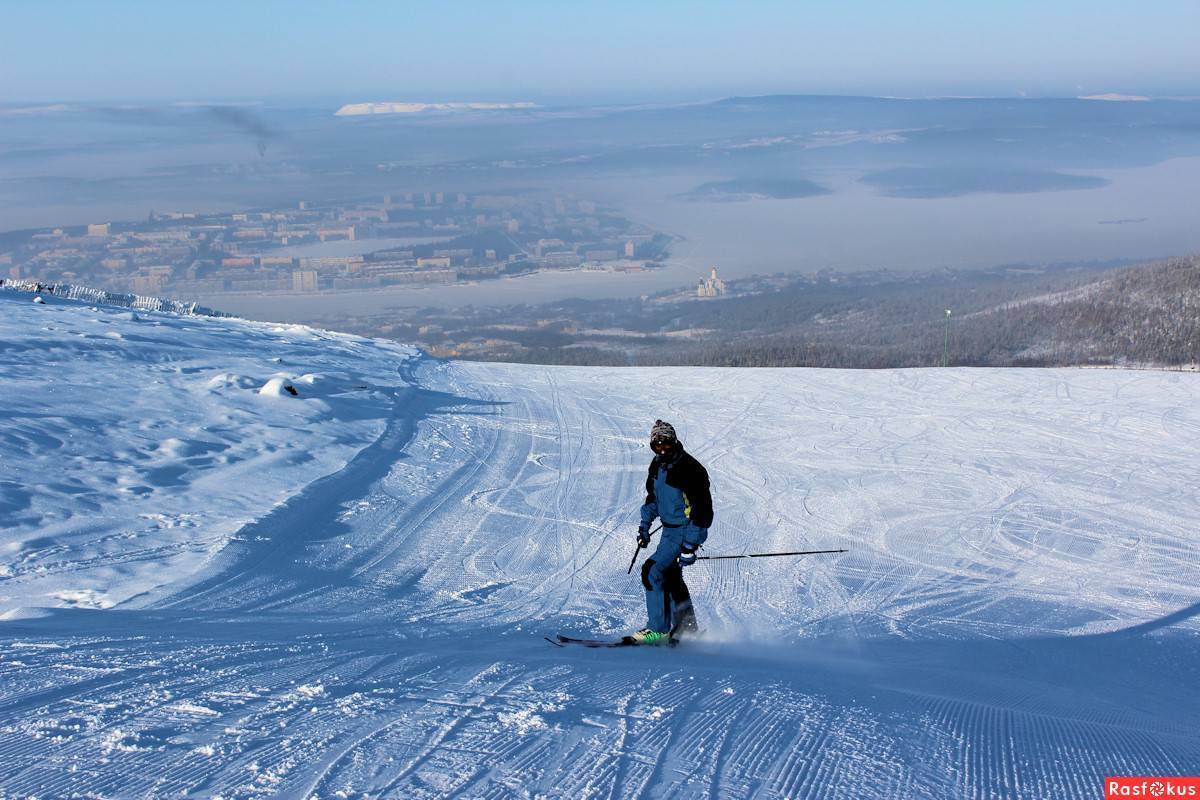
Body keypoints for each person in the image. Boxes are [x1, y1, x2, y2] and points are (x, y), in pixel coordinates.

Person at [632, 419, 712, 644]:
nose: (662, 449)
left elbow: (703, 511)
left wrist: (690, 545)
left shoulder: (690, 469)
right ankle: (687, 629)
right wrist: (644, 527)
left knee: (652, 571)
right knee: (670, 576)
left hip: (685, 530)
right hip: (669, 531)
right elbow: (654, 499)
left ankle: (657, 629)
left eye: (666, 443)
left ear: (674, 441)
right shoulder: (657, 464)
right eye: (657, 445)